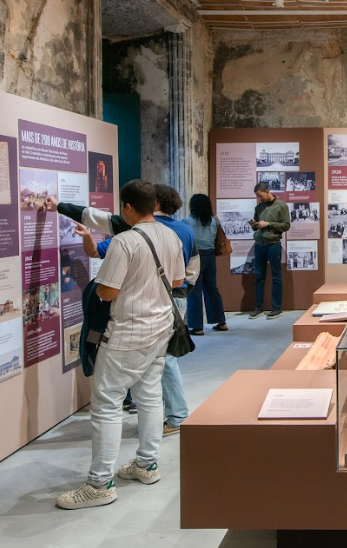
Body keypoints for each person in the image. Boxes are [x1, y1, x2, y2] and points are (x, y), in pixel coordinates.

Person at [56, 180, 185, 510]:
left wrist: (110, 290)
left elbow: (106, 292)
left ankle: (100, 483)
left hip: (126, 335)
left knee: (107, 405)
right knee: (149, 396)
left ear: (128, 207)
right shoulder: (171, 235)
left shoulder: (124, 242)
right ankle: (146, 464)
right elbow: (177, 282)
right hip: (159, 330)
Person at [151, 184, 198, 436]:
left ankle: (177, 414)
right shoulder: (185, 230)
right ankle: (168, 412)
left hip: (158, 300)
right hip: (177, 297)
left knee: (164, 357)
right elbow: (193, 268)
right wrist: (183, 293)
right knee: (163, 356)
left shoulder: (146, 230)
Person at [186, 193, 226, 333]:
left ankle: (197, 327)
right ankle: (221, 322)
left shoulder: (187, 221)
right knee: (212, 288)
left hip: (195, 256)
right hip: (210, 256)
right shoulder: (214, 221)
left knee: (195, 290)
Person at [249, 181, 290, 319]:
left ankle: (276, 308)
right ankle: (258, 307)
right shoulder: (259, 207)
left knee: (276, 276)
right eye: (257, 196)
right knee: (259, 276)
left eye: (260, 195)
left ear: (267, 191)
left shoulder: (281, 205)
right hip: (259, 244)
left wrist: (269, 224)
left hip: (273, 244)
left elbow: (286, 225)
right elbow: (256, 227)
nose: (259, 199)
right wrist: (254, 225)